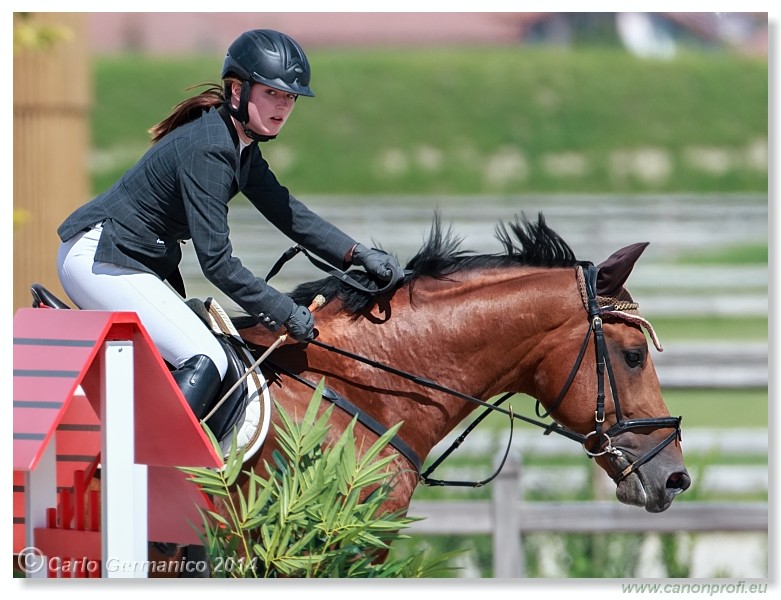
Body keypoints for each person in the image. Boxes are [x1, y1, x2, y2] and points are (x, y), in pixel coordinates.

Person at [56, 29, 403, 420]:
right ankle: (150, 469)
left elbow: (288, 211)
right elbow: (217, 263)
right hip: (101, 259)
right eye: (271, 93)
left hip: (122, 258)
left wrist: (357, 253)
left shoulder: (236, 142)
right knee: (206, 356)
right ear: (237, 91)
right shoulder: (210, 149)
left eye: (289, 97)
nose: (283, 106)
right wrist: (283, 310)